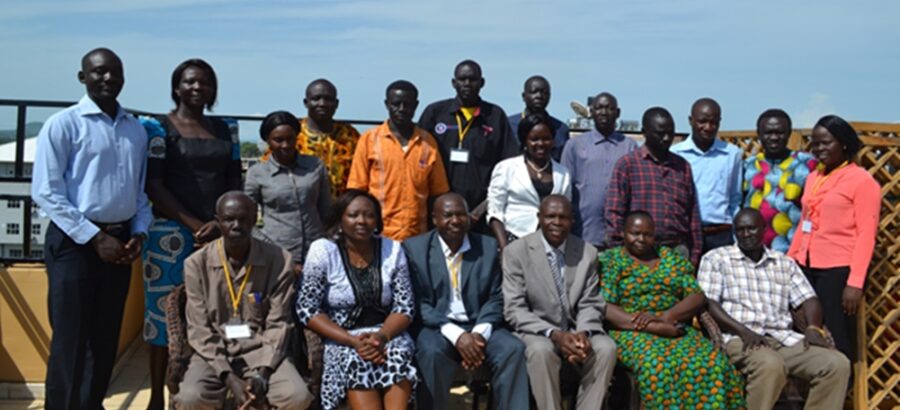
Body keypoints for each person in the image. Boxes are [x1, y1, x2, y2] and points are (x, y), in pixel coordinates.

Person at [31, 47, 151, 409]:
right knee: (70, 340)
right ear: (83, 77)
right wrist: (94, 237)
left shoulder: (135, 130)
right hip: (74, 243)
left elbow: (139, 191)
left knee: (104, 339)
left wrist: (139, 233)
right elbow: (47, 192)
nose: (108, 78)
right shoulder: (64, 124)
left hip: (119, 242)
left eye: (114, 72)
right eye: (98, 72)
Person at [139, 58, 243, 409]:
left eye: (206, 82)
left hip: (219, 233)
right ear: (176, 87)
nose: (198, 88)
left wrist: (218, 223)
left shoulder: (227, 127)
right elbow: (154, 184)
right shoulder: (156, 126)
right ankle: (157, 395)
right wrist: (194, 224)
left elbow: (234, 180)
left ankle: (216, 388)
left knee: (221, 312)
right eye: (190, 82)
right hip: (168, 234)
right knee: (161, 318)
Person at [700, 208, 851, 410]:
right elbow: (709, 303)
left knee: (836, 364)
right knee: (771, 365)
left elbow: (809, 298)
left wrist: (814, 328)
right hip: (739, 338)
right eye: (740, 230)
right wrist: (743, 331)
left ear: (764, 229)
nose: (746, 235)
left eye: (751, 229)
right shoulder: (716, 259)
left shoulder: (783, 262)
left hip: (783, 338)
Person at [174, 192, 312, 410]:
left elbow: (279, 323)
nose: (237, 225)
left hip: (263, 351)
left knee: (297, 396)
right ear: (218, 221)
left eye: (244, 219)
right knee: (190, 398)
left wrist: (262, 376)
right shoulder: (196, 264)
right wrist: (230, 378)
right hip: (213, 354)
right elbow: (199, 329)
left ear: (254, 219)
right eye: (229, 219)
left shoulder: (279, 260)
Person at [598, 211, 745, 408]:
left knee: (712, 363)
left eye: (647, 234)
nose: (641, 239)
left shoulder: (670, 258)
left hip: (675, 325)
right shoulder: (611, 261)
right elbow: (606, 307)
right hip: (630, 330)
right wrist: (654, 327)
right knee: (657, 366)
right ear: (623, 234)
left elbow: (697, 296)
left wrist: (665, 317)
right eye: (635, 233)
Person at [405, 193, 530, 410]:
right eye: (448, 215)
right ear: (434, 219)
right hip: (437, 327)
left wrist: (478, 334)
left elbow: (496, 296)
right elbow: (419, 303)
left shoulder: (488, 247)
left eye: (461, 214)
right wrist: (458, 336)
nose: (455, 220)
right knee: (431, 352)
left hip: (480, 324)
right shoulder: (415, 249)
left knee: (513, 348)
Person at [297, 190, 417, 410]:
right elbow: (307, 308)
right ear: (340, 219)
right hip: (341, 336)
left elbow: (405, 305)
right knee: (356, 359)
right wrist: (353, 341)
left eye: (369, 215)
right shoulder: (323, 250)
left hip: (386, 333)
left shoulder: (393, 249)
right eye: (353, 215)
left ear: (377, 221)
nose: (362, 221)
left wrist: (382, 336)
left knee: (397, 355)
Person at [502, 195, 617, 410]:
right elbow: (514, 309)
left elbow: (590, 301)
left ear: (572, 220)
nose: (557, 222)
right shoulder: (516, 251)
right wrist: (554, 334)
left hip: (576, 328)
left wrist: (584, 332)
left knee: (606, 348)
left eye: (563, 217)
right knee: (541, 351)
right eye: (551, 216)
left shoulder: (587, 252)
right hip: (537, 330)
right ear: (539, 218)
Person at [787, 115, 880, 361]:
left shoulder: (862, 181)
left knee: (837, 335)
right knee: (805, 329)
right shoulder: (813, 177)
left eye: (826, 143)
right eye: (815, 144)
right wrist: (789, 263)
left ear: (844, 144)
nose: (819, 149)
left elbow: (866, 234)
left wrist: (855, 282)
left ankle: (843, 392)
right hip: (806, 265)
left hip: (837, 270)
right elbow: (803, 224)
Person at [418, 59, 519, 233]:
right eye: (462, 79)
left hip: (480, 215)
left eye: (472, 79)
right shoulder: (435, 113)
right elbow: (419, 159)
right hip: (440, 213)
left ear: (482, 83)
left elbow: (509, 167)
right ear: (453, 82)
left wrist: (482, 209)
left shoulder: (495, 116)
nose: (467, 84)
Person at [347, 80, 449, 241]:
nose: (401, 109)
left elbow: (439, 192)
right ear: (387, 104)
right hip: (378, 234)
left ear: (416, 105)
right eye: (396, 104)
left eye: (407, 104)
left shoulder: (428, 143)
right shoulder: (369, 140)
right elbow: (356, 190)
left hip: (417, 236)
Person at [605, 107, 703, 265]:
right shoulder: (628, 165)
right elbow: (615, 212)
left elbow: (692, 212)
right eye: (660, 133)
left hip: (677, 251)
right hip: (638, 252)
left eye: (670, 133)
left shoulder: (682, 166)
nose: (666, 138)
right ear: (644, 132)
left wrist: (695, 252)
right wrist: (621, 252)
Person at [245, 110, 331, 271]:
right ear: (268, 141)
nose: (285, 145)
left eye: (290, 139)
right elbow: (246, 220)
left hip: (316, 252)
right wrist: (269, 247)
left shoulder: (315, 166)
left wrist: (328, 243)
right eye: (278, 140)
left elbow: (326, 210)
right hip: (276, 255)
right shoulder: (257, 173)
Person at [561, 92, 638, 248]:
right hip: (583, 232)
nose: (603, 112)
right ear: (591, 112)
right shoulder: (575, 145)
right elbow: (564, 188)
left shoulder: (630, 146)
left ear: (618, 113)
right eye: (599, 108)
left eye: (609, 108)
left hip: (619, 235)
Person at [262, 79, 360, 198]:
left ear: (336, 103)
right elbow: (268, 168)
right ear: (306, 102)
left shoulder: (350, 135)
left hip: (340, 210)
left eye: (328, 99)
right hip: (299, 209)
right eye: (316, 98)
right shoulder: (292, 133)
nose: (322, 103)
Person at [487, 113, 571, 249]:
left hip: (549, 245)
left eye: (546, 139)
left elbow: (565, 212)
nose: (540, 144)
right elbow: (495, 212)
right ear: (524, 140)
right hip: (513, 240)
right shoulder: (506, 168)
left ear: (553, 140)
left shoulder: (563, 173)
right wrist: (505, 248)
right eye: (534, 139)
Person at [672, 98, 743, 253]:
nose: (708, 127)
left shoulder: (732, 154)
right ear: (691, 121)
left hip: (720, 235)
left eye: (714, 122)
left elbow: (734, 198)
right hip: (687, 234)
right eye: (702, 121)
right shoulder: (676, 154)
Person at [743, 109, 817, 252]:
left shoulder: (807, 164)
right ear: (759, 134)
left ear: (789, 133)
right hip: (754, 250)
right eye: (768, 133)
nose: (774, 137)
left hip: (794, 248)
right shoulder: (749, 165)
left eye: (780, 133)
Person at [507, 75, 571, 162]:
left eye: (544, 93)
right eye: (534, 92)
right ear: (524, 96)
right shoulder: (508, 125)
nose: (539, 96)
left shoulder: (561, 129)